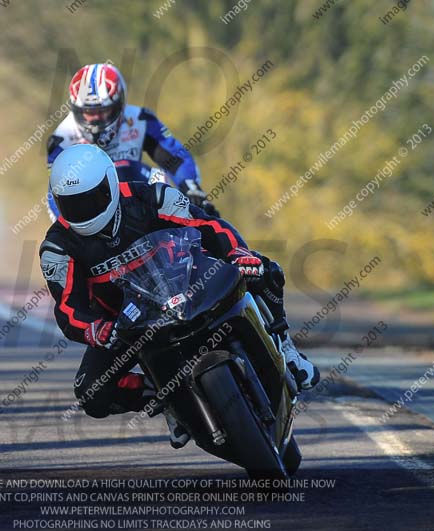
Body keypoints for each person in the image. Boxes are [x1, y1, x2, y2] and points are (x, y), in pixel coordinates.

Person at [39, 144, 319, 448]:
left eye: (91, 200)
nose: (84, 211)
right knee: (91, 393)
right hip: (127, 324)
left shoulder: (151, 196)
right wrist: (94, 328)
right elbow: (68, 307)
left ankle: (287, 348)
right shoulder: (57, 248)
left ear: (110, 184)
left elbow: (209, 225)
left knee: (264, 269)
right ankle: (164, 396)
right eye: (73, 205)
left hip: (190, 283)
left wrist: (238, 253)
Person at [46, 63, 218, 221]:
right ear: (77, 110)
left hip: (138, 199)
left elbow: (174, 157)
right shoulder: (62, 139)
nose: (97, 120)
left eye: (103, 111)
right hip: (93, 212)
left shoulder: (141, 119)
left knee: (201, 209)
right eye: (90, 113)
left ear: (119, 104)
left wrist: (191, 188)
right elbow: (57, 193)